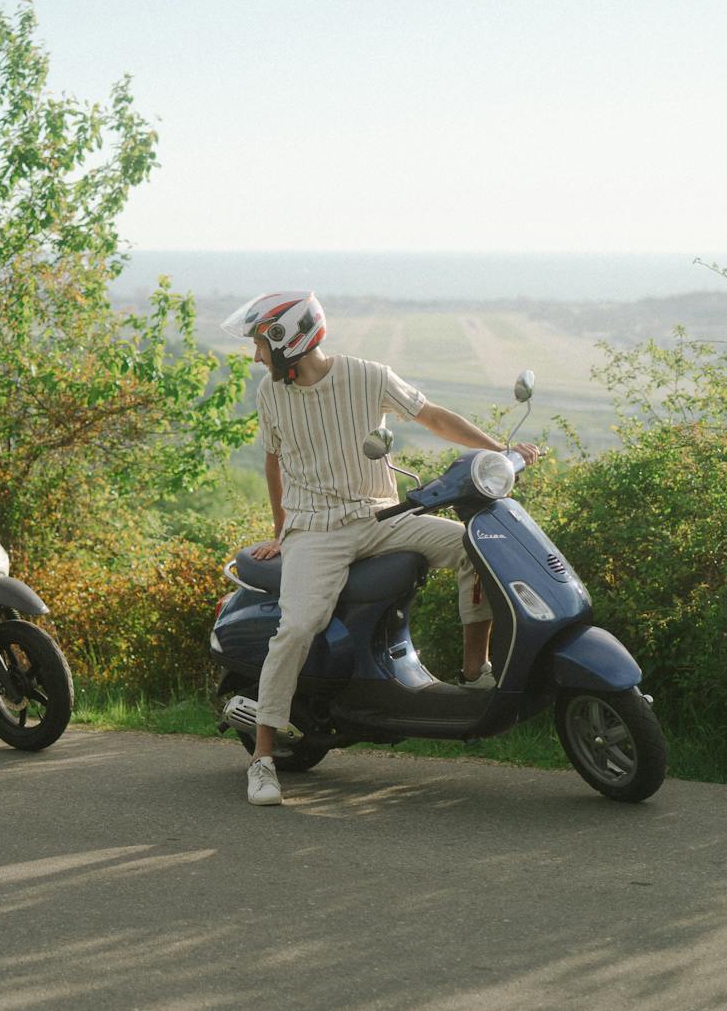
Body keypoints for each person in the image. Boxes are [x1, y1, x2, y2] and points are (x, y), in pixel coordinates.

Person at [221, 292, 542, 806]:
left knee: (477, 547)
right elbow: (273, 463)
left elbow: (433, 417)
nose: (257, 356)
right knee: (297, 626)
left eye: (261, 344)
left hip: (380, 518)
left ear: (288, 341)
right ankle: (262, 758)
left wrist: (499, 453)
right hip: (316, 531)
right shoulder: (271, 393)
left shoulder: (368, 376)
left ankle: (473, 672)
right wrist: (282, 532)